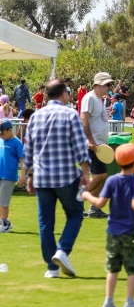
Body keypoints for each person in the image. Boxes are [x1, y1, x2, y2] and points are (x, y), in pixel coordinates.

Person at [81, 144, 134, 307]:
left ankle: (108, 302)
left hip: (113, 231)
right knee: (132, 268)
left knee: (113, 267)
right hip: (131, 231)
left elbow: (100, 203)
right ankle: (130, 302)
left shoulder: (112, 180)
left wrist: (86, 195)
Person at [25, 80, 91, 278]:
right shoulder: (70, 114)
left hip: (42, 177)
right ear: (63, 94)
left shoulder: (36, 116)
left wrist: (29, 175)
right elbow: (80, 146)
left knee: (45, 222)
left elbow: (29, 149)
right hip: (66, 177)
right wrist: (86, 171)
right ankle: (62, 250)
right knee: (75, 214)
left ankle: (51, 268)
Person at [80, 72, 115, 219]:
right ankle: (79, 197)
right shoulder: (90, 98)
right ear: (98, 84)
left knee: (99, 175)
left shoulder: (99, 99)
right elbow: (83, 118)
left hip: (99, 144)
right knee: (101, 175)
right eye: (107, 85)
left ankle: (94, 208)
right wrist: (91, 140)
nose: (109, 88)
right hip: (92, 144)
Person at [0, 119, 26, 232]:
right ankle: (4, 222)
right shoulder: (1, 140)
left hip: (9, 176)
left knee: (3, 201)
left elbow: (22, 160)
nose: (1, 135)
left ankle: (4, 224)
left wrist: (23, 175)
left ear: (10, 130)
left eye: (2, 132)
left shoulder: (17, 143)